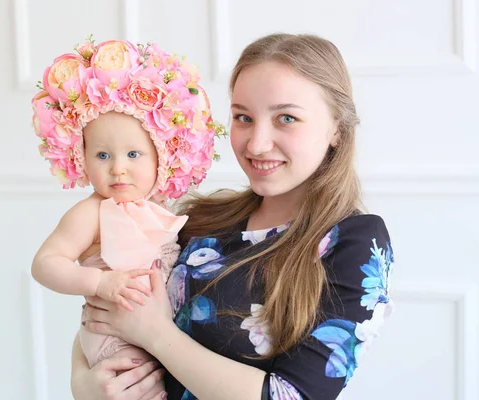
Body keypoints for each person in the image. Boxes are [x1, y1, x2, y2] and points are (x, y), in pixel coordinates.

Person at [72, 32, 395, 400]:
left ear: (336, 127)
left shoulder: (354, 242)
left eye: (286, 118)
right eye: (243, 117)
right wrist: (82, 382)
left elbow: (292, 396)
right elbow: (104, 306)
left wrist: (157, 335)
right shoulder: (196, 221)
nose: (256, 144)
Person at [29, 36, 225, 399]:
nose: (118, 169)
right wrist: (99, 284)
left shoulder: (162, 210)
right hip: (113, 340)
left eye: (134, 154)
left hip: (153, 335)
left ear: (161, 156)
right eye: (102, 156)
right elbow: (45, 264)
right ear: (81, 157)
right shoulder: (92, 211)